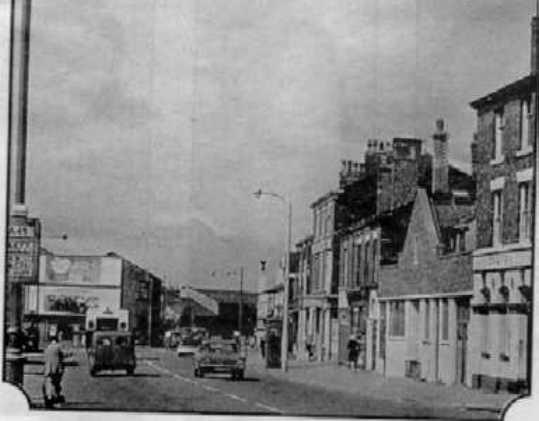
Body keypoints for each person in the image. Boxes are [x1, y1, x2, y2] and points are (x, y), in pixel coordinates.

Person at [43, 335, 65, 407]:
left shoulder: (48, 347)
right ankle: (55, 397)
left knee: (49, 382)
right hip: (56, 368)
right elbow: (63, 355)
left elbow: (45, 357)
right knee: (56, 383)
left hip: (48, 368)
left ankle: (49, 397)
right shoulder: (58, 347)